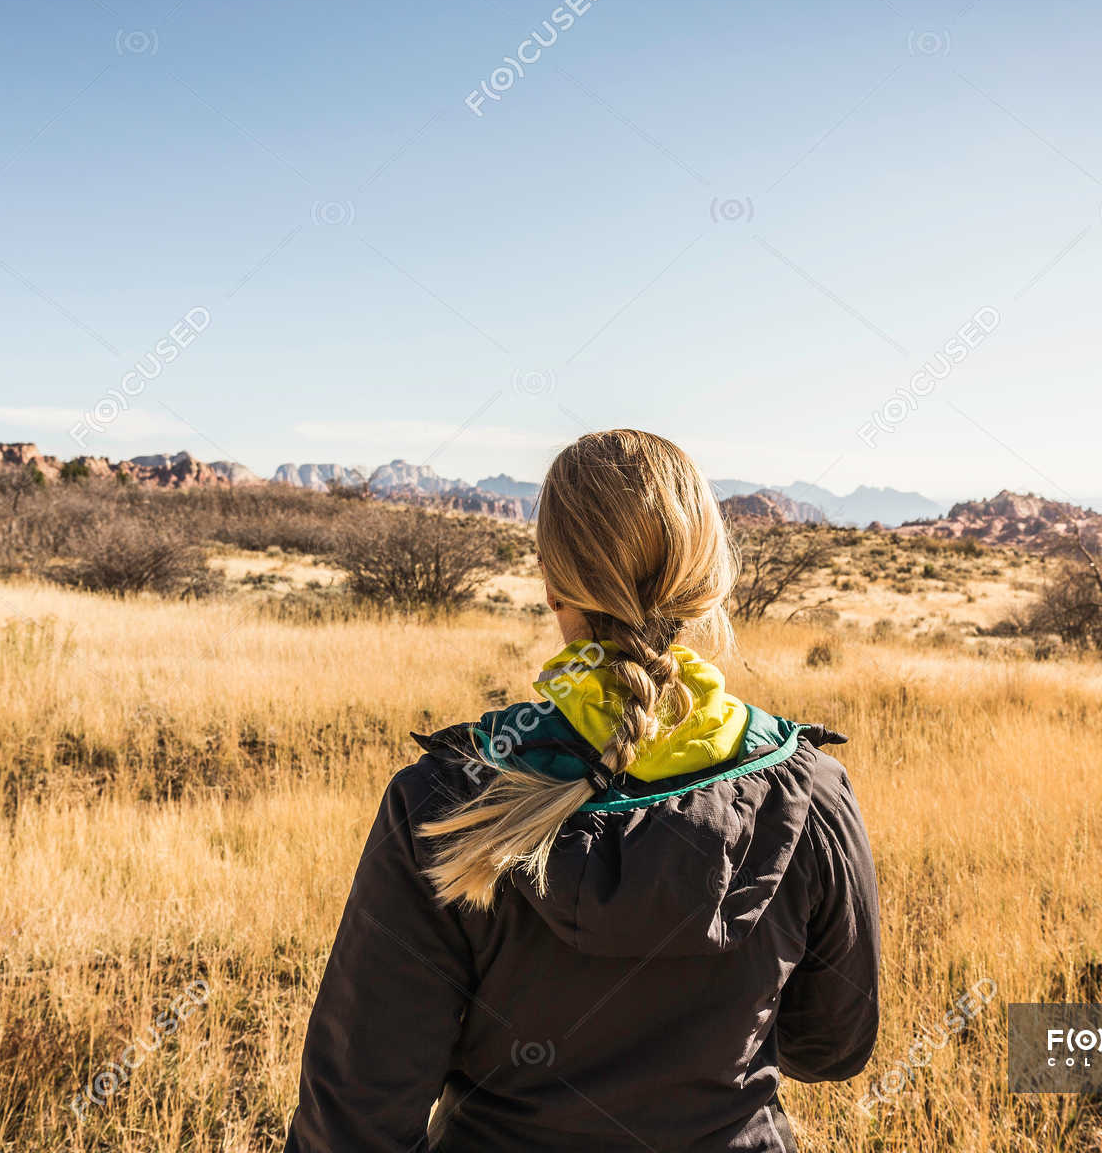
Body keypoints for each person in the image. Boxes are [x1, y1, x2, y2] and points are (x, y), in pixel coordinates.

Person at [284, 429, 880, 1152]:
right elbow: (831, 1047)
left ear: (551, 582)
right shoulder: (809, 789)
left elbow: (353, 1120)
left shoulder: (446, 801)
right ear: (710, 579)